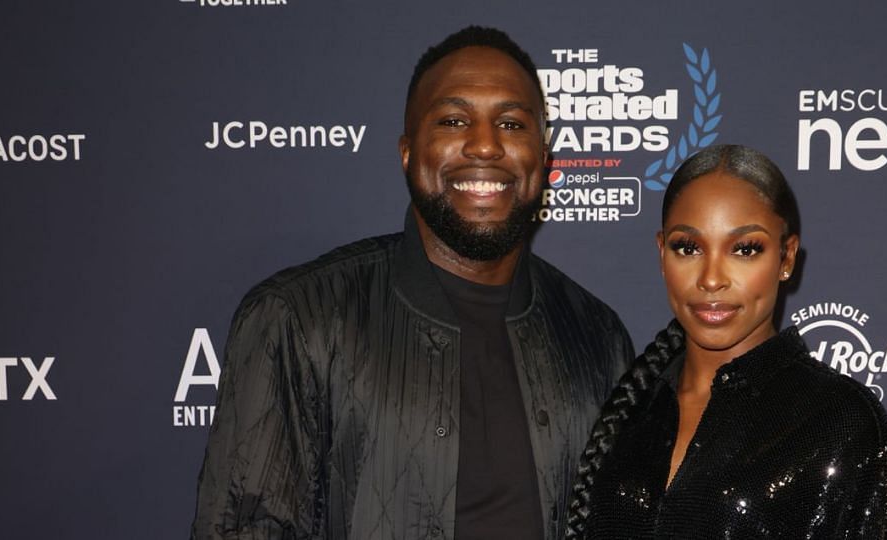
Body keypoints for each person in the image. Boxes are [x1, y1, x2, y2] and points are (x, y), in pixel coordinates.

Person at [191, 26, 634, 540]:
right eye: (453, 120)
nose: (486, 145)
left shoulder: (596, 336)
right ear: (407, 152)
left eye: (512, 124)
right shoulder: (298, 318)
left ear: (545, 157)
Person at [566, 145, 887, 539]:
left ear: (786, 258)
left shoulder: (842, 423)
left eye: (745, 249)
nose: (712, 278)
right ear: (663, 255)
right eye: (688, 247)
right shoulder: (631, 410)